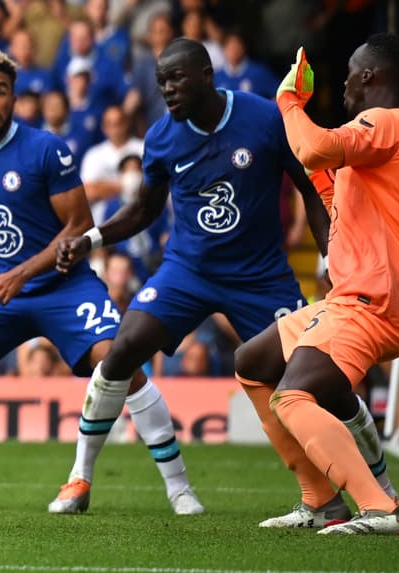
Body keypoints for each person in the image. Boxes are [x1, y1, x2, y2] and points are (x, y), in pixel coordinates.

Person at [0, 54, 198, 515]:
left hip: (65, 287)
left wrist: (21, 272)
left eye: (1, 92)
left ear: (13, 99)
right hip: (0, 291)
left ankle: (180, 489)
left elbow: (79, 225)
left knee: (119, 362)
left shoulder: (46, 149)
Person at [56, 39, 341, 517]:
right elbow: (144, 210)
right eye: (161, 81)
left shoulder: (264, 117)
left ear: (207, 75)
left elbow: (312, 188)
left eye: (177, 78)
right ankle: (79, 478)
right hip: (188, 271)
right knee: (122, 347)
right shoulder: (163, 137)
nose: (167, 89)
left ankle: (352, 492)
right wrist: (91, 240)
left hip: (260, 275)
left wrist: (330, 262)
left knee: (308, 379)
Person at [233, 36, 399, 536]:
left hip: (376, 301)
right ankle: (322, 501)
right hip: (353, 297)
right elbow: (328, 180)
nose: (343, 80)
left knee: (292, 397)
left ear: (369, 77)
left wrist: (289, 102)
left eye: (350, 70)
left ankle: (383, 508)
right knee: (253, 365)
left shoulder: (387, 123)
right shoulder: (381, 140)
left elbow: (316, 145)